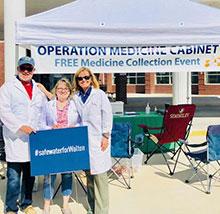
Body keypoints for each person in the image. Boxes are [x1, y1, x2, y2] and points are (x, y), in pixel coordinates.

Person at [0, 56, 47, 214]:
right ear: (18, 70)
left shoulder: (38, 89)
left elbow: (43, 112)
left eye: (29, 68)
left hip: (33, 139)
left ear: (34, 70)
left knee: (29, 176)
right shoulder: (8, 87)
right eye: (23, 68)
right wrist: (20, 126)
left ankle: (26, 204)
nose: (26, 71)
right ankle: (11, 207)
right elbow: (3, 111)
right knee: (13, 177)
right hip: (15, 139)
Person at [72, 67, 112, 214]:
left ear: (91, 78)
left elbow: (107, 116)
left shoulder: (99, 94)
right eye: (80, 78)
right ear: (76, 81)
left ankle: (102, 211)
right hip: (85, 141)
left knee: (100, 180)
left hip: (99, 141)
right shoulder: (75, 97)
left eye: (86, 77)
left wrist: (106, 136)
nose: (84, 80)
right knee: (89, 179)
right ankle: (91, 208)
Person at [42, 78, 80, 214]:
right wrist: (50, 127)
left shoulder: (75, 105)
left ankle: (65, 204)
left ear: (70, 91)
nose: (63, 91)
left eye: (66, 89)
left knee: (67, 174)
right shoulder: (48, 105)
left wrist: (73, 127)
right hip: (52, 142)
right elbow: (41, 123)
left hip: (69, 142)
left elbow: (81, 122)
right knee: (50, 174)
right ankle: (47, 204)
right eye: (60, 88)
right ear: (55, 90)